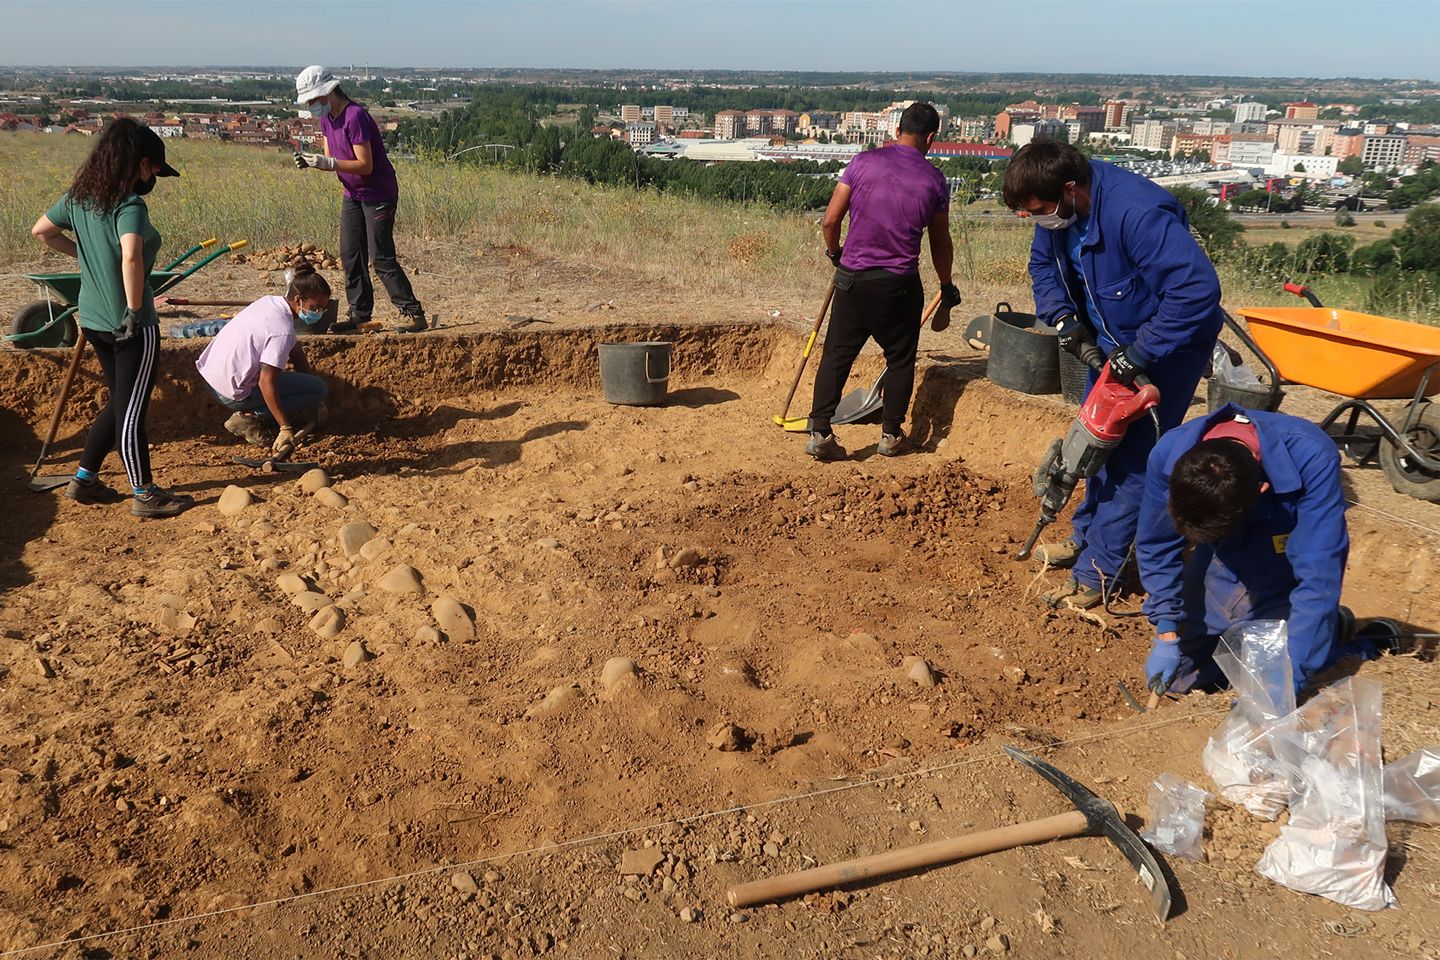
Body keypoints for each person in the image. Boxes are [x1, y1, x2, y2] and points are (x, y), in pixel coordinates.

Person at [1003, 139, 1222, 608]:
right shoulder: (1060, 208)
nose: (1036, 219)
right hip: (1110, 341)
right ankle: (1087, 537)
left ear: (1070, 190)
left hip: (1167, 343)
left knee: (1133, 461)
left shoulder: (1137, 214)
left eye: (1040, 210)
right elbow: (1044, 265)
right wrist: (1065, 320)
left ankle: (1100, 570)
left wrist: (1141, 354)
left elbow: (1196, 291)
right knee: (1095, 443)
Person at [1136, 404, 1385, 695]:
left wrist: (1288, 679)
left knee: (1264, 681)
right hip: (1219, 561)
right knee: (1179, 679)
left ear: (1262, 489)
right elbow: (1156, 544)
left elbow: (1319, 574)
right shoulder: (1170, 452)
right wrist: (1166, 626)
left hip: (1279, 562)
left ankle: (1355, 640)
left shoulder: (1311, 455)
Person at [31, 117, 193, 519]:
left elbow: (42, 231)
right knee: (133, 408)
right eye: (154, 168)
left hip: (94, 320)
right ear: (139, 164)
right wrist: (136, 310)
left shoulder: (79, 198)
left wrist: (88, 260)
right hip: (129, 323)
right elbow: (132, 256)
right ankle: (145, 493)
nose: (155, 176)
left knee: (120, 401)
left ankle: (84, 480)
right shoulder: (130, 205)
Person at [807, 101, 961, 461]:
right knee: (900, 358)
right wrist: (945, 282)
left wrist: (836, 255)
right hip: (900, 287)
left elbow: (830, 221)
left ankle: (819, 431)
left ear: (896, 131)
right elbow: (940, 241)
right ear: (932, 137)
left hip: (853, 280)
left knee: (836, 356)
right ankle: (891, 435)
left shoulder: (862, 163)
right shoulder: (935, 180)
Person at [292, 65, 426, 334]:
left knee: (381, 258)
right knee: (351, 255)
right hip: (353, 194)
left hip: (378, 194)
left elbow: (364, 165)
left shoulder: (356, 117)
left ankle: (414, 314)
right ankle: (359, 314)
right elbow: (333, 156)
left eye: (312, 100)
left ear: (327, 93)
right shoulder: (327, 118)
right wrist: (314, 162)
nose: (311, 106)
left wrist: (328, 163)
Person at [195, 265, 331, 459]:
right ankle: (248, 418)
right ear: (299, 300)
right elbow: (266, 382)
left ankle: (262, 412)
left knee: (314, 391)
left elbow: (297, 353)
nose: (318, 313)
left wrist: (316, 403)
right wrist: (285, 427)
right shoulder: (281, 331)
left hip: (210, 375)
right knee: (318, 388)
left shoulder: (269, 303)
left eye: (322, 309)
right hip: (232, 393)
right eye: (315, 308)